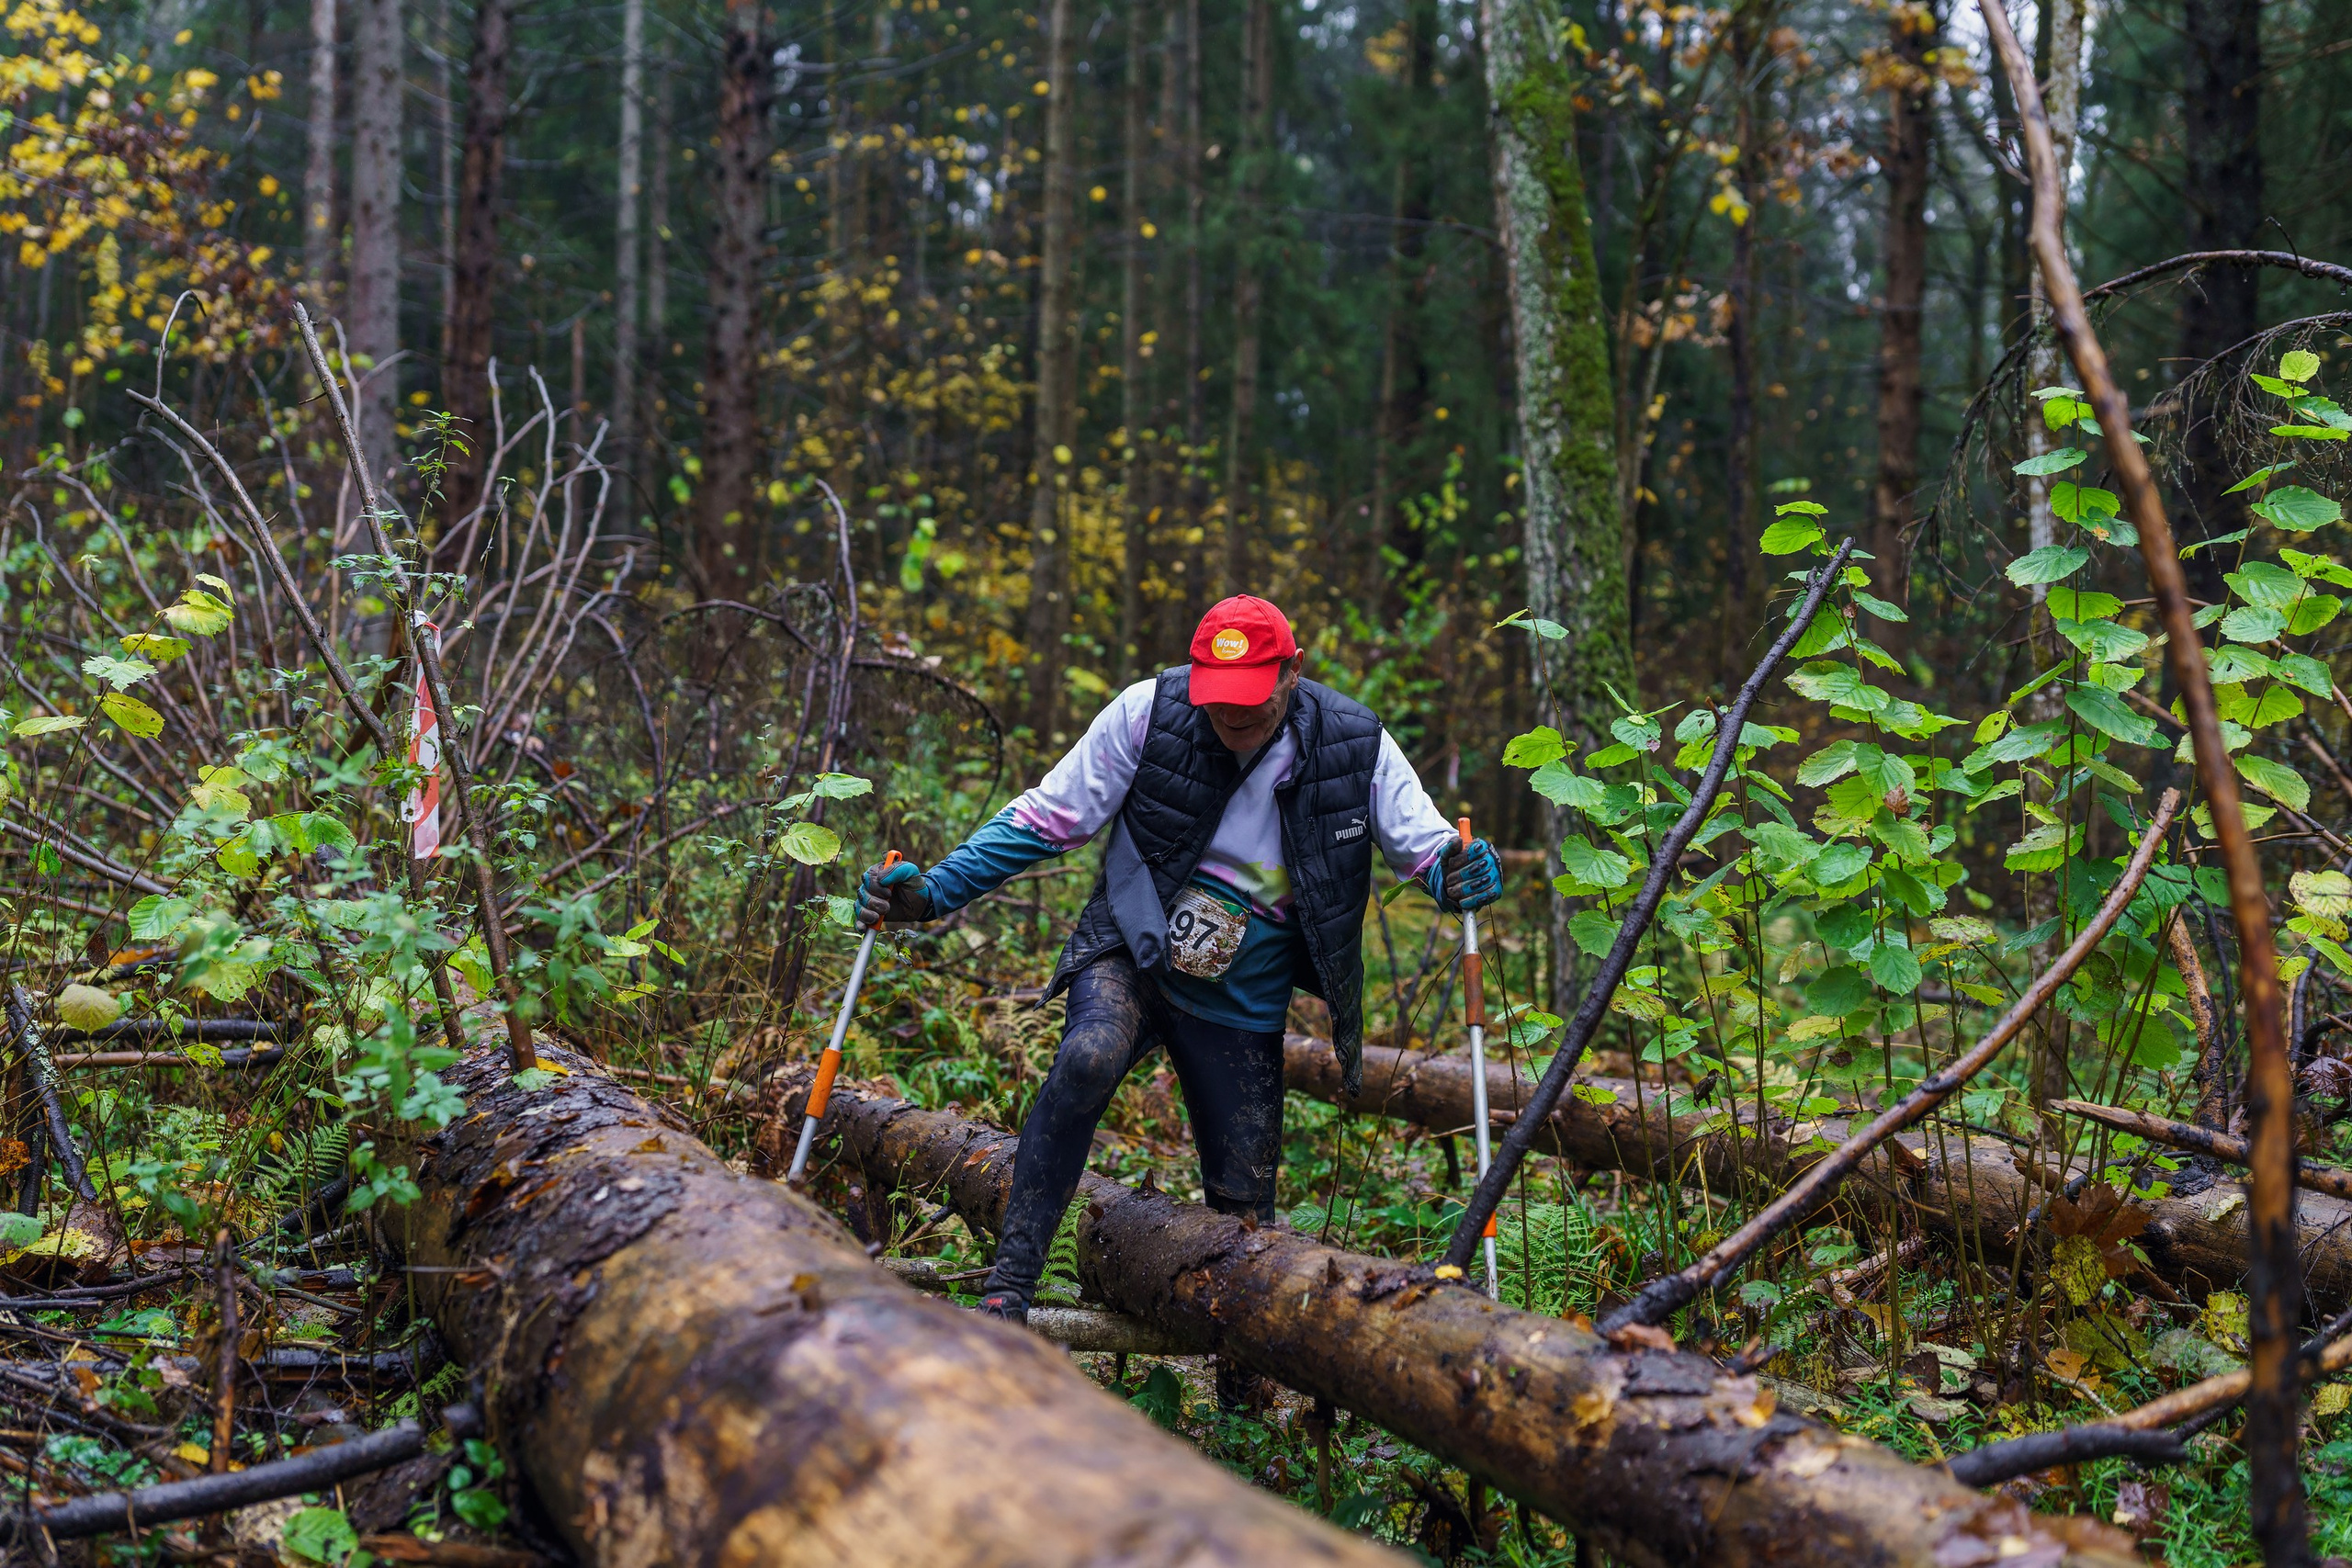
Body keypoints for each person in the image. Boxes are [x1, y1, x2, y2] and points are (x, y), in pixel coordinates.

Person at [855, 594, 1502, 1324]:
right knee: (1087, 1057)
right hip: (1132, 952)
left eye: (1250, 701)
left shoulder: (1356, 743)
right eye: (1218, 700)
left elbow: (1431, 850)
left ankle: (1239, 1388)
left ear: (1293, 671)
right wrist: (936, 890)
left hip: (1244, 996)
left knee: (1244, 1204)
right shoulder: (1148, 711)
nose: (1230, 717)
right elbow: (1047, 815)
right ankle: (1009, 1286)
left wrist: (1459, 876)